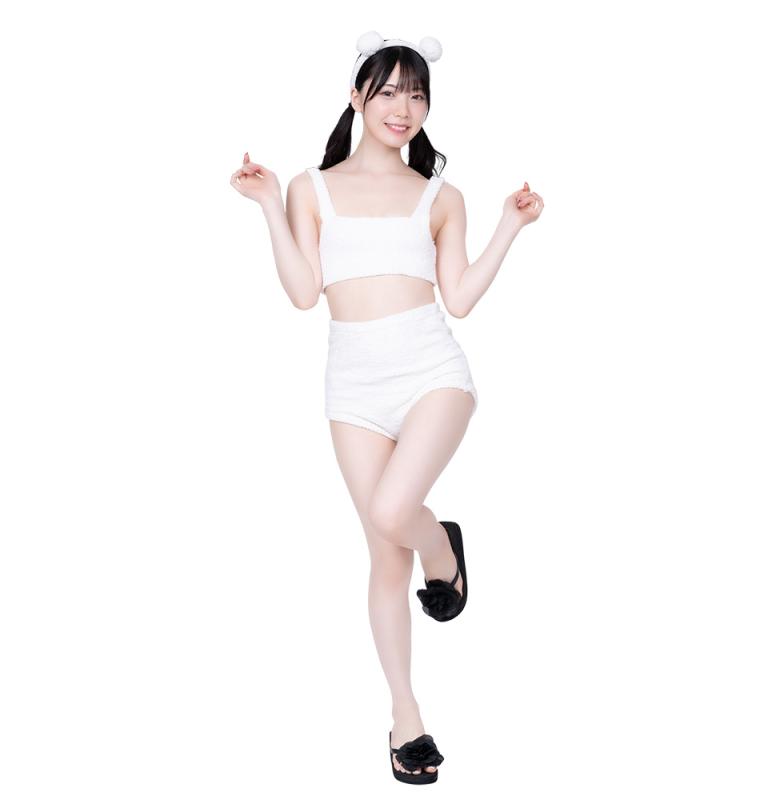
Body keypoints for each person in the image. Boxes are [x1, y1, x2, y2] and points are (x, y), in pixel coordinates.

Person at [229, 30, 543, 784]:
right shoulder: (309, 187)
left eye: (417, 94)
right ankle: (407, 717)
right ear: (356, 97)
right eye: (390, 91)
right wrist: (268, 204)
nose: (404, 107)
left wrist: (510, 225)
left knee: (394, 510)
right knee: (382, 553)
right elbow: (304, 294)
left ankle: (442, 553)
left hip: (433, 371)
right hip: (353, 389)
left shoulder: (440, 196)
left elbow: (458, 299)